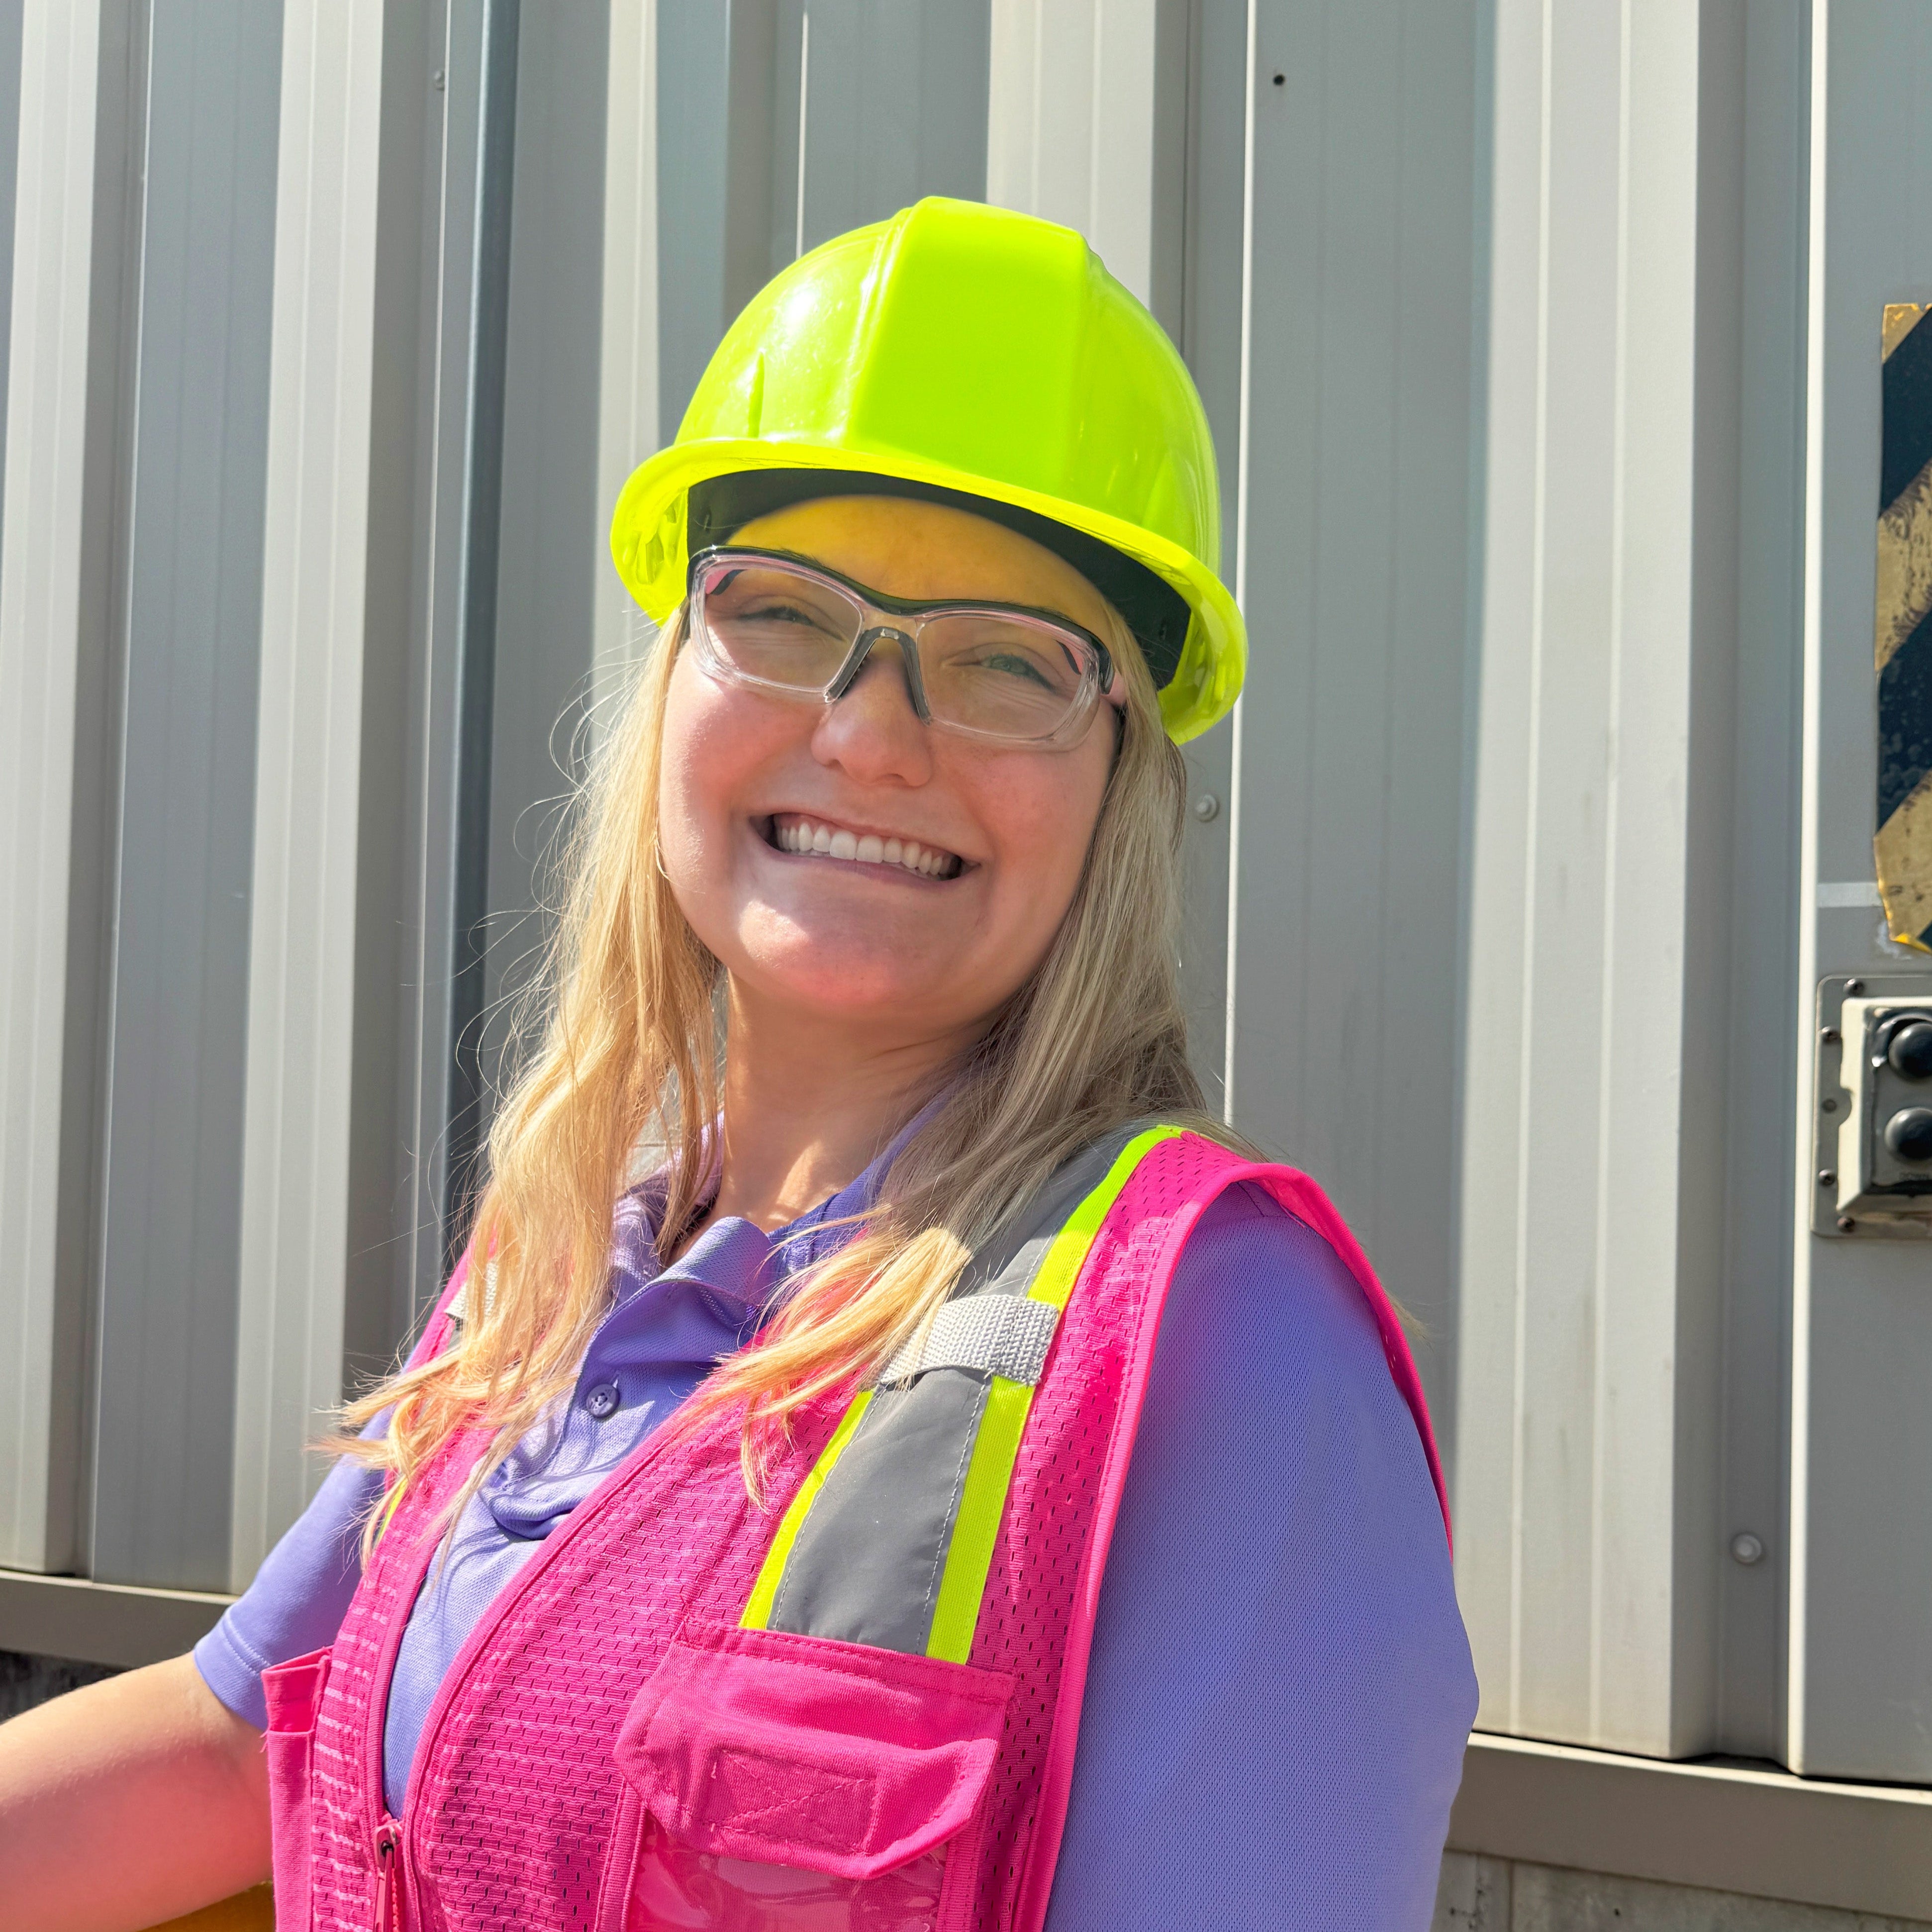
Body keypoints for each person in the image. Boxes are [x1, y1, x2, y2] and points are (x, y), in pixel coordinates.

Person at [0, 197, 1474, 1932]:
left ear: (1120, 790)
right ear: (676, 679)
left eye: (1008, 662)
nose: (866, 729)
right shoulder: (571, 1248)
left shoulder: (1223, 1342)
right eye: (780, 613)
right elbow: (229, 1744)